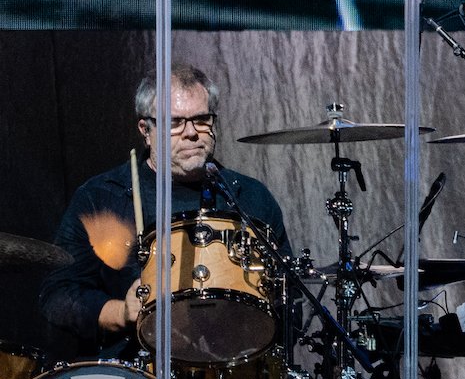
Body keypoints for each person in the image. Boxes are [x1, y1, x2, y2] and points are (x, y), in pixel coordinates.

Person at [39, 62, 290, 361]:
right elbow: (56, 295)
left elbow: (289, 297)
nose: (191, 133)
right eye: (174, 123)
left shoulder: (250, 199)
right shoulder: (102, 197)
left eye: (201, 120)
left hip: (235, 373)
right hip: (135, 373)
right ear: (146, 130)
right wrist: (121, 311)